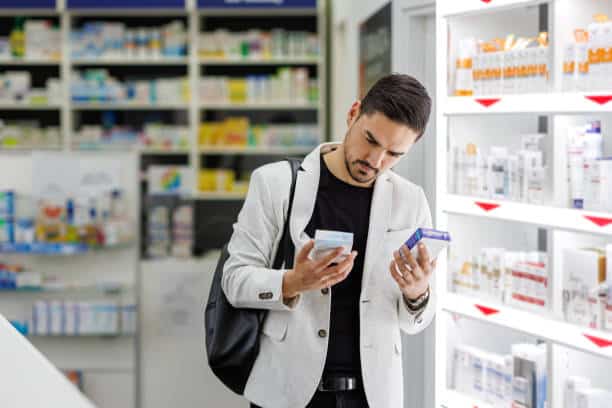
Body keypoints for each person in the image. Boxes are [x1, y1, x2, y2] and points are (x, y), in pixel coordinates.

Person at [222, 74, 435, 408]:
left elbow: (417, 321)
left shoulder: (411, 202)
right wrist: (292, 281)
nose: (376, 161)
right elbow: (234, 281)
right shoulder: (276, 184)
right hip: (288, 391)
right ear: (353, 113)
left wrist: (417, 292)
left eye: (394, 154)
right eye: (371, 140)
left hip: (372, 395)